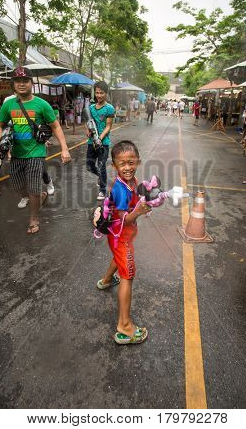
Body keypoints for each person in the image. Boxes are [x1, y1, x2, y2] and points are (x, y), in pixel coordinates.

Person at [0, 66, 71, 233]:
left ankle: (34, 219)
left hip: (36, 152)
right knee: (16, 185)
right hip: (16, 153)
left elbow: (56, 126)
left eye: (25, 81)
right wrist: (3, 142)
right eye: (18, 81)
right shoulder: (8, 105)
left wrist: (64, 148)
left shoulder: (42, 104)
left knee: (33, 187)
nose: (21, 84)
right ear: (13, 84)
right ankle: (41, 196)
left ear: (31, 83)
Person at [96, 140, 151, 344]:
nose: (127, 167)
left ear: (138, 161)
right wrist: (137, 212)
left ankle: (107, 280)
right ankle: (125, 327)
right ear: (114, 166)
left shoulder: (132, 181)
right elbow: (121, 220)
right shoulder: (120, 189)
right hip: (121, 236)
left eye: (131, 162)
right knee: (127, 275)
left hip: (118, 237)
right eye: (122, 164)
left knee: (117, 258)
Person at [86, 80, 115, 200]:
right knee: (89, 166)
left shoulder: (109, 108)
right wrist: (87, 130)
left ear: (106, 93)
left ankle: (103, 190)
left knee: (102, 166)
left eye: (101, 93)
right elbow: (87, 122)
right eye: (97, 93)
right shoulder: (91, 108)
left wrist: (99, 138)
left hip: (104, 143)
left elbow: (108, 126)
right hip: (90, 142)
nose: (99, 95)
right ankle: (101, 177)